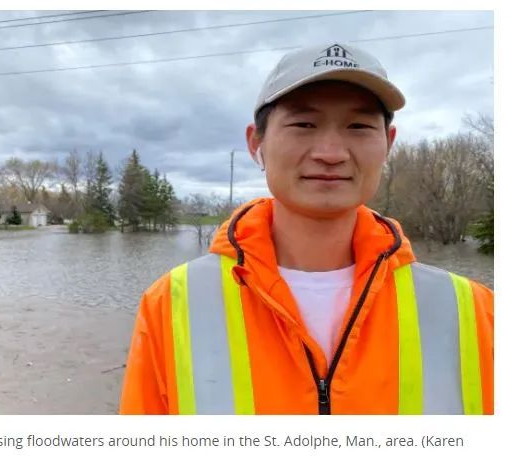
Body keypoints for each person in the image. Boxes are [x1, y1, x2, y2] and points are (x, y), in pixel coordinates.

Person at [119, 43, 494, 415]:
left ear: (388, 144)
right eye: (303, 124)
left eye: (359, 126)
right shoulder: (172, 305)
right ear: (256, 142)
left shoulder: (475, 311)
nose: (330, 152)